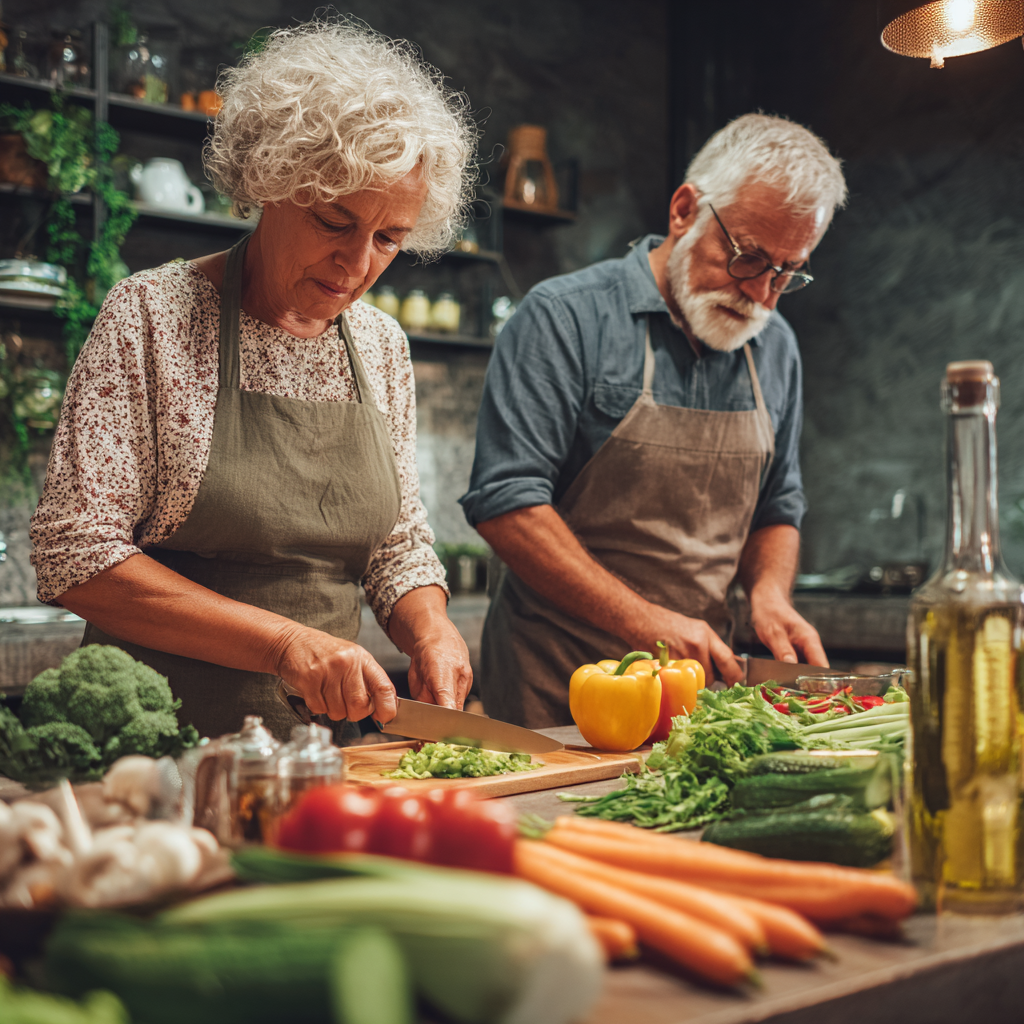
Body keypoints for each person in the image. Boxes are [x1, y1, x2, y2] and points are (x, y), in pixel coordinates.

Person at [30, 18, 478, 740]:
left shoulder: (381, 345)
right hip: (160, 753)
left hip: (317, 756)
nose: (359, 264)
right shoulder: (155, 314)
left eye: (389, 238)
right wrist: (285, 644)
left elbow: (396, 543)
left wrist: (430, 629)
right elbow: (74, 555)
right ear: (271, 182)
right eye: (336, 221)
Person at [460, 114, 848, 728]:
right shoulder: (564, 317)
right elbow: (506, 503)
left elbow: (778, 504)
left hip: (698, 692)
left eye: (787, 272)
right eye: (748, 258)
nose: (763, 295)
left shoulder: (776, 347)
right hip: (557, 686)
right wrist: (651, 625)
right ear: (684, 210)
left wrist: (769, 595)